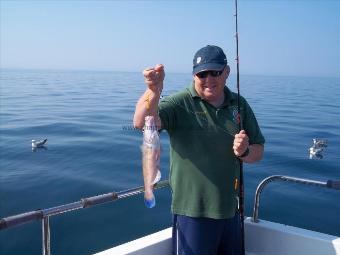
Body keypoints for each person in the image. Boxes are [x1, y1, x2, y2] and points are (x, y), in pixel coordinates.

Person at [133, 45, 265, 255]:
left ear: (227, 71)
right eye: (202, 74)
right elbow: (141, 123)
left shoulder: (239, 104)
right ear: (194, 75)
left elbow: (259, 150)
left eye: (215, 72)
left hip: (231, 211)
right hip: (192, 213)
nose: (209, 79)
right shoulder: (180, 103)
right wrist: (153, 91)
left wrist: (245, 152)